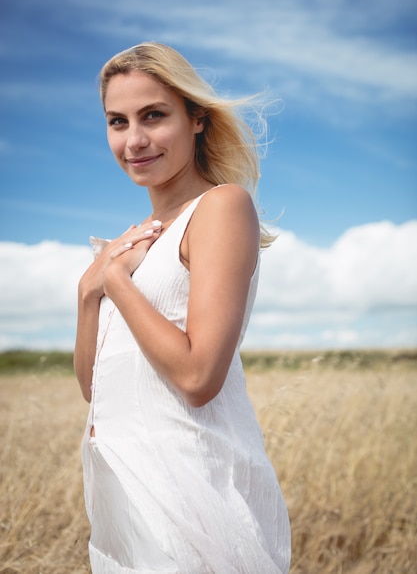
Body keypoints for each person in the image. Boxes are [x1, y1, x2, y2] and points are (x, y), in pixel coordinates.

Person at [74, 42, 291, 574]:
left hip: (193, 496)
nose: (135, 140)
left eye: (154, 115)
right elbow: (94, 389)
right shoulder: (131, 243)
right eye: (117, 122)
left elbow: (198, 377)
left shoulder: (220, 207)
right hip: (126, 500)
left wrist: (118, 284)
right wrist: (88, 295)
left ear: (196, 118)